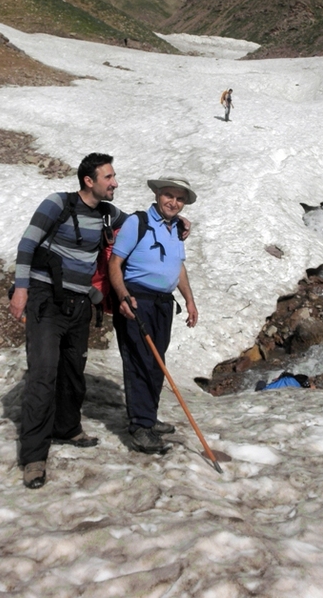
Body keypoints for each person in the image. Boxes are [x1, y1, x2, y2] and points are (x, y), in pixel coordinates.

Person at [10, 152, 128, 489]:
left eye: (114, 176)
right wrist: (21, 290)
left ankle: (67, 427)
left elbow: (134, 222)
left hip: (79, 304)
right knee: (43, 374)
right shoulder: (56, 204)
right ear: (89, 181)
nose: (115, 183)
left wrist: (177, 222)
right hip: (45, 299)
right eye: (109, 177)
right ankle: (34, 457)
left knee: (72, 371)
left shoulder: (107, 214)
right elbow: (27, 244)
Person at [108, 174, 198, 455]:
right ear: (158, 195)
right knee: (139, 360)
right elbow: (115, 263)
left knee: (156, 361)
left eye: (180, 198)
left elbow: (178, 267)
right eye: (169, 195)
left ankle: (148, 416)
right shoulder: (138, 223)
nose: (173, 202)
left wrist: (190, 301)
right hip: (138, 299)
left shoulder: (175, 229)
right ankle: (139, 428)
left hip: (163, 303)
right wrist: (124, 297)